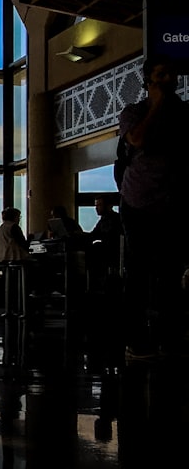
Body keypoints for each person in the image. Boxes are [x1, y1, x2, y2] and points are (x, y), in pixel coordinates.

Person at [118, 54, 189, 360]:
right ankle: (136, 340)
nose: (168, 80)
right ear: (148, 80)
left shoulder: (184, 114)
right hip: (138, 201)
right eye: (161, 75)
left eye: (171, 74)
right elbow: (136, 138)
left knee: (170, 274)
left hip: (172, 202)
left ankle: (169, 338)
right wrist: (157, 104)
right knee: (139, 272)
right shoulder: (134, 112)